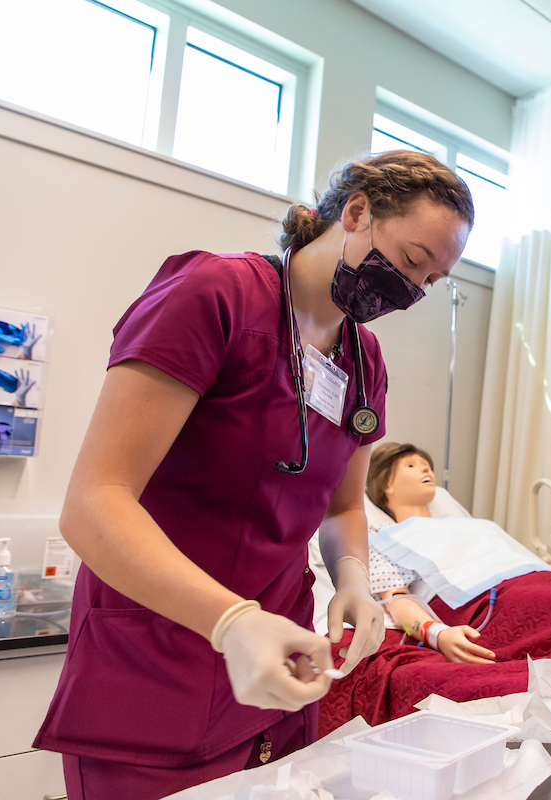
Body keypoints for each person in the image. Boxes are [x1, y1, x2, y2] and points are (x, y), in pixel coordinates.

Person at [34, 151, 474, 799]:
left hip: (284, 658)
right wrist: (231, 621)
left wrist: (353, 576)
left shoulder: (363, 358)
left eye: (431, 281)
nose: (411, 292)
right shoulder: (216, 295)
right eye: (411, 262)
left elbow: (343, 506)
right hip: (160, 649)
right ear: (356, 212)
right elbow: (94, 502)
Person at [363, 442, 496, 664]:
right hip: (482, 603)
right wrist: (436, 634)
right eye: (412, 465)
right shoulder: (386, 537)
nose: (426, 470)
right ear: (386, 484)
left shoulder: (468, 526)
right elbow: (396, 601)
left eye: (427, 466)